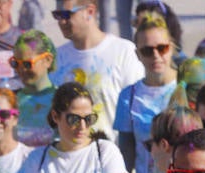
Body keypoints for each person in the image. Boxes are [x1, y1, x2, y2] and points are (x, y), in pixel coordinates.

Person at [50, 0, 144, 142]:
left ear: (90, 12)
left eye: (67, 14)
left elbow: (137, 110)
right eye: (58, 15)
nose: (62, 22)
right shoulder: (57, 58)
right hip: (69, 158)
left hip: (112, 155)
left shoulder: (124, 52)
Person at [114, 15, 178, 173]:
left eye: (162, 48)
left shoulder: (187, 87)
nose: (156, 55)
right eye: (147, 51)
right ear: (137, 54)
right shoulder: (129, 95)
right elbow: (126, 154)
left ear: (172, 47)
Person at [12, 29, 57, 147]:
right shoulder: (11, 101)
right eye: (16, 63)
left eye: (27, 64)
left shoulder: (62, 101)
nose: (21, 70)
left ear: (47, 60)